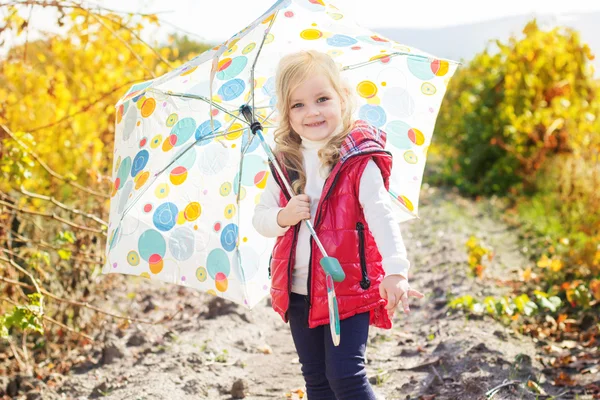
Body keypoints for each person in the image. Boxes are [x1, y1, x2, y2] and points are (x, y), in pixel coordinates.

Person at [252, 50, 424, 400]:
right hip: (298, 289)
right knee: (316, 380)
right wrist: (284, 217)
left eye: (322, 99)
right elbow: (261, 218)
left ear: (343, 98)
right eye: (297, 105)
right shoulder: (285, 163)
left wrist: (396, 270)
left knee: (345, 375)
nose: (312, 111)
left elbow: (380, 213)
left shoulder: (357, 159)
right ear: (286, 113)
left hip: (346, 286)